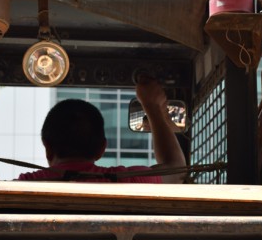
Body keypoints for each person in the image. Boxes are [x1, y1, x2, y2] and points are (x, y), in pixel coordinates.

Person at [18, 77, 186, 183]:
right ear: (101, 149)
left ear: (47, 148)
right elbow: (177, 170)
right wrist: (152, 106)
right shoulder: (127, 180)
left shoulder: (23, 186)